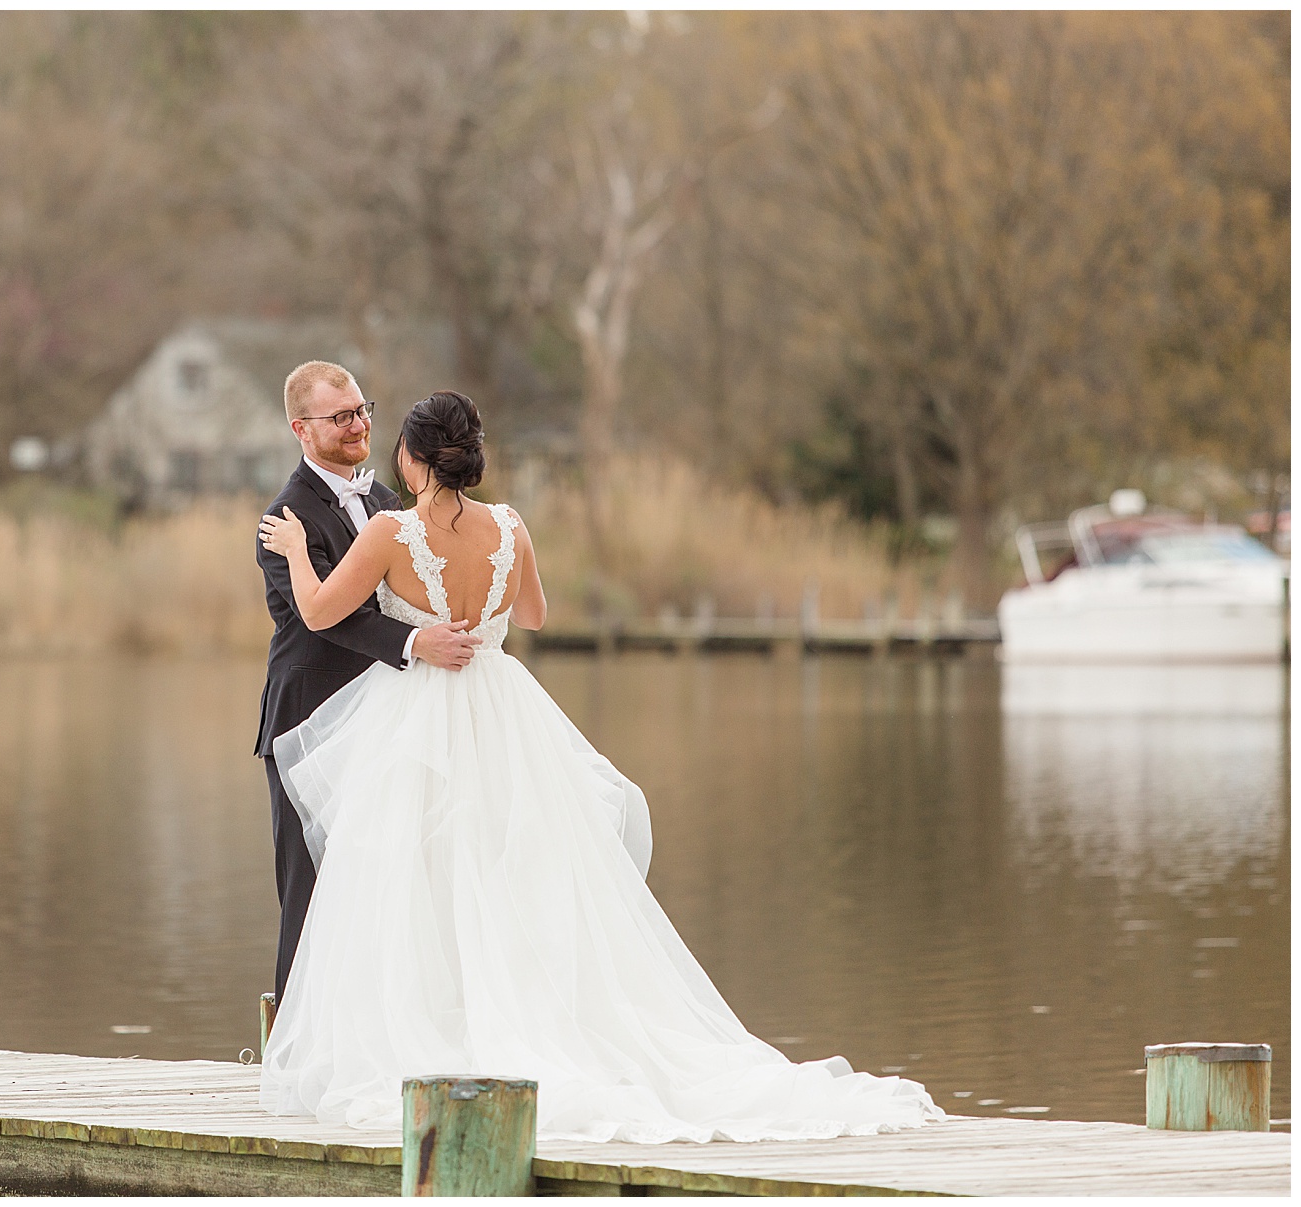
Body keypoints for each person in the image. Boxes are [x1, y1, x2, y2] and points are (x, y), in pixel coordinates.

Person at [255, 390, 944, 1143]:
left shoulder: (392, 529)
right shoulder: (511, 525)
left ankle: (434, 1029)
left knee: (417, 875)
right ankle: (521, 1018)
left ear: (412, 459)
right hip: (501, 704)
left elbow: (319, 612)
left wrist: (297, 556)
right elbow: (538, 613)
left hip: (424, 711)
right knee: (504, 871)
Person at [255, 361, 481, 1012]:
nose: (359, 425)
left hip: (389, 722)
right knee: (311, 889)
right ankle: (293, 1053)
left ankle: (381, 1033)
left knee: (391, 889)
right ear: (302, 428)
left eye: (363, 410)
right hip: (308, 721)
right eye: (341, 416)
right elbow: (324, 619)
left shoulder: (387, 505)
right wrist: (417, 644)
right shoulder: (284, 521)